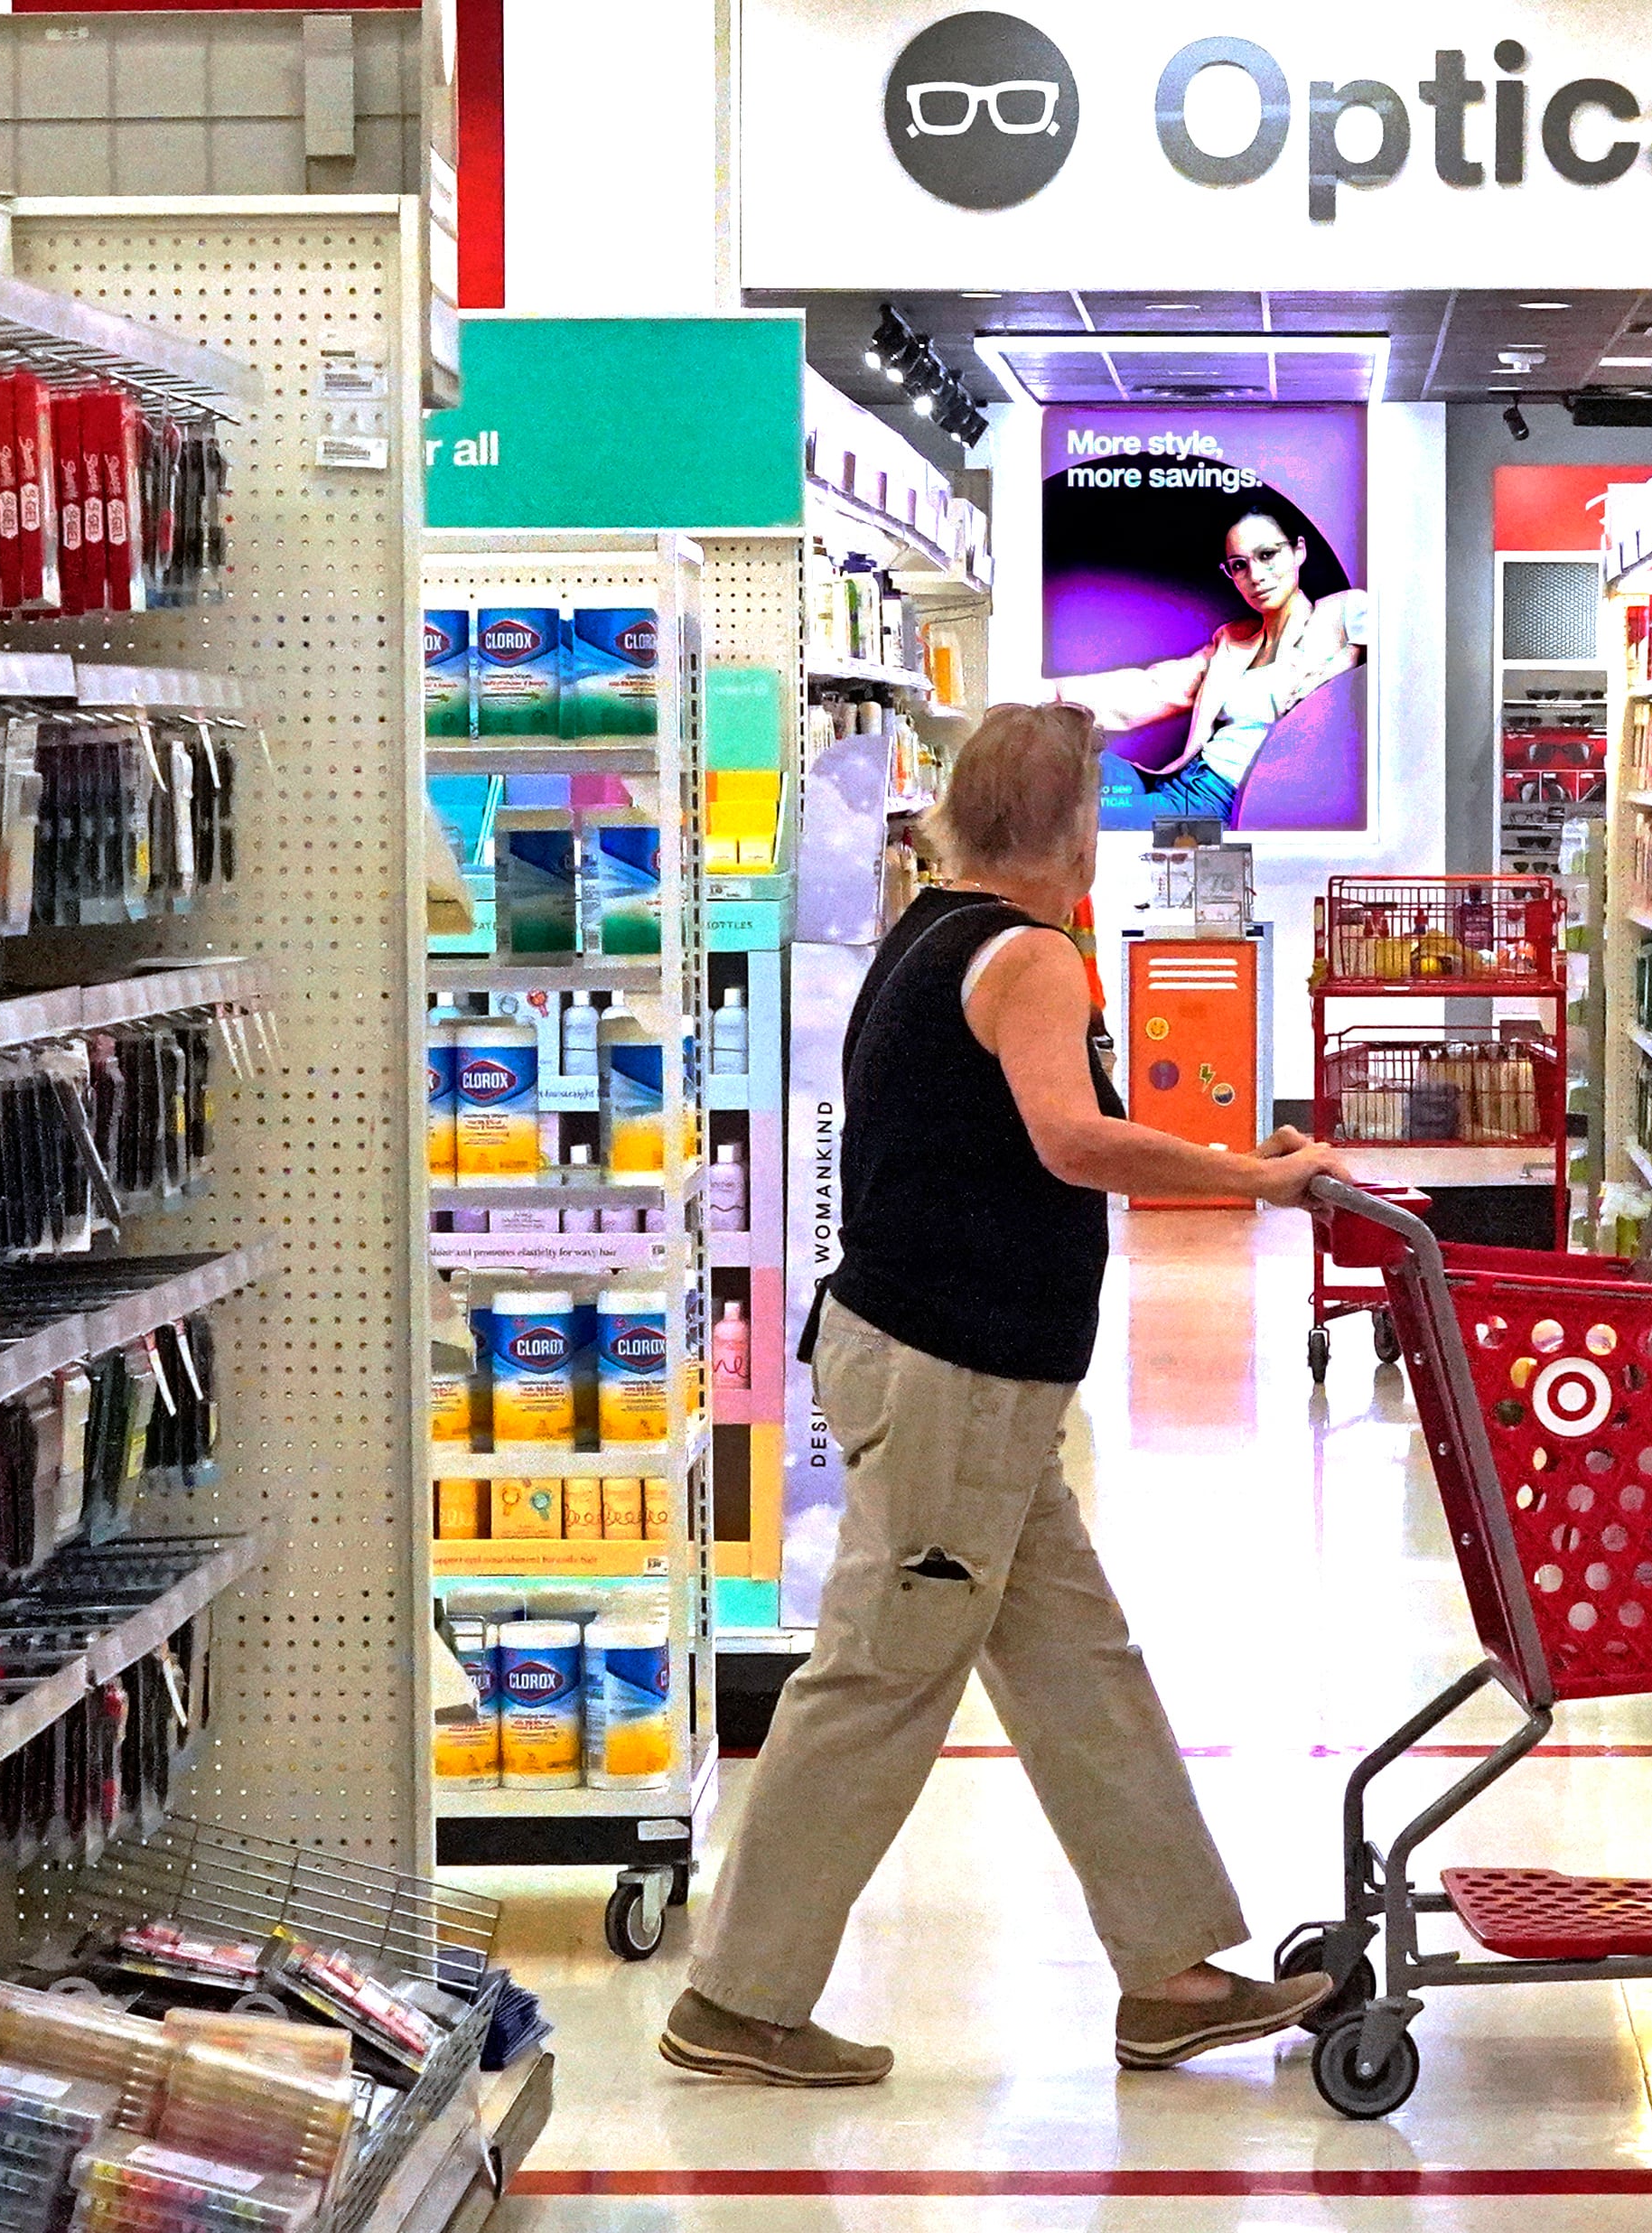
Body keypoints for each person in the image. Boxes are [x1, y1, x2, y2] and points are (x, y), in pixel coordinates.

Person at [658, 703, 1349, 2088]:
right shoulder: (1028, 956)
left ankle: (1170, 1974)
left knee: (1077, 1668)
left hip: (947, 1367)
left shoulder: (926, 930)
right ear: (1071, 833)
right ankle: (737, 1998)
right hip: (953, 1377)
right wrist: (1253, 1179)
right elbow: (1071, 1139)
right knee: (879, 1674)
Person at [1050, 504, 1372, 819]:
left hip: (1220, 804)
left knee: (1071, 819)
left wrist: (1345, 661)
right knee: (1054, 761)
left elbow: (1400, 646)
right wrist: (1050, 695)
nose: (1256, 576)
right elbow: (1156, 687)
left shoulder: (1341, 613)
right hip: (1181, 781)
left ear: (1298, 551)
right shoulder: (1233, 641)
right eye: (1239, 565)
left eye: (1267, 555)